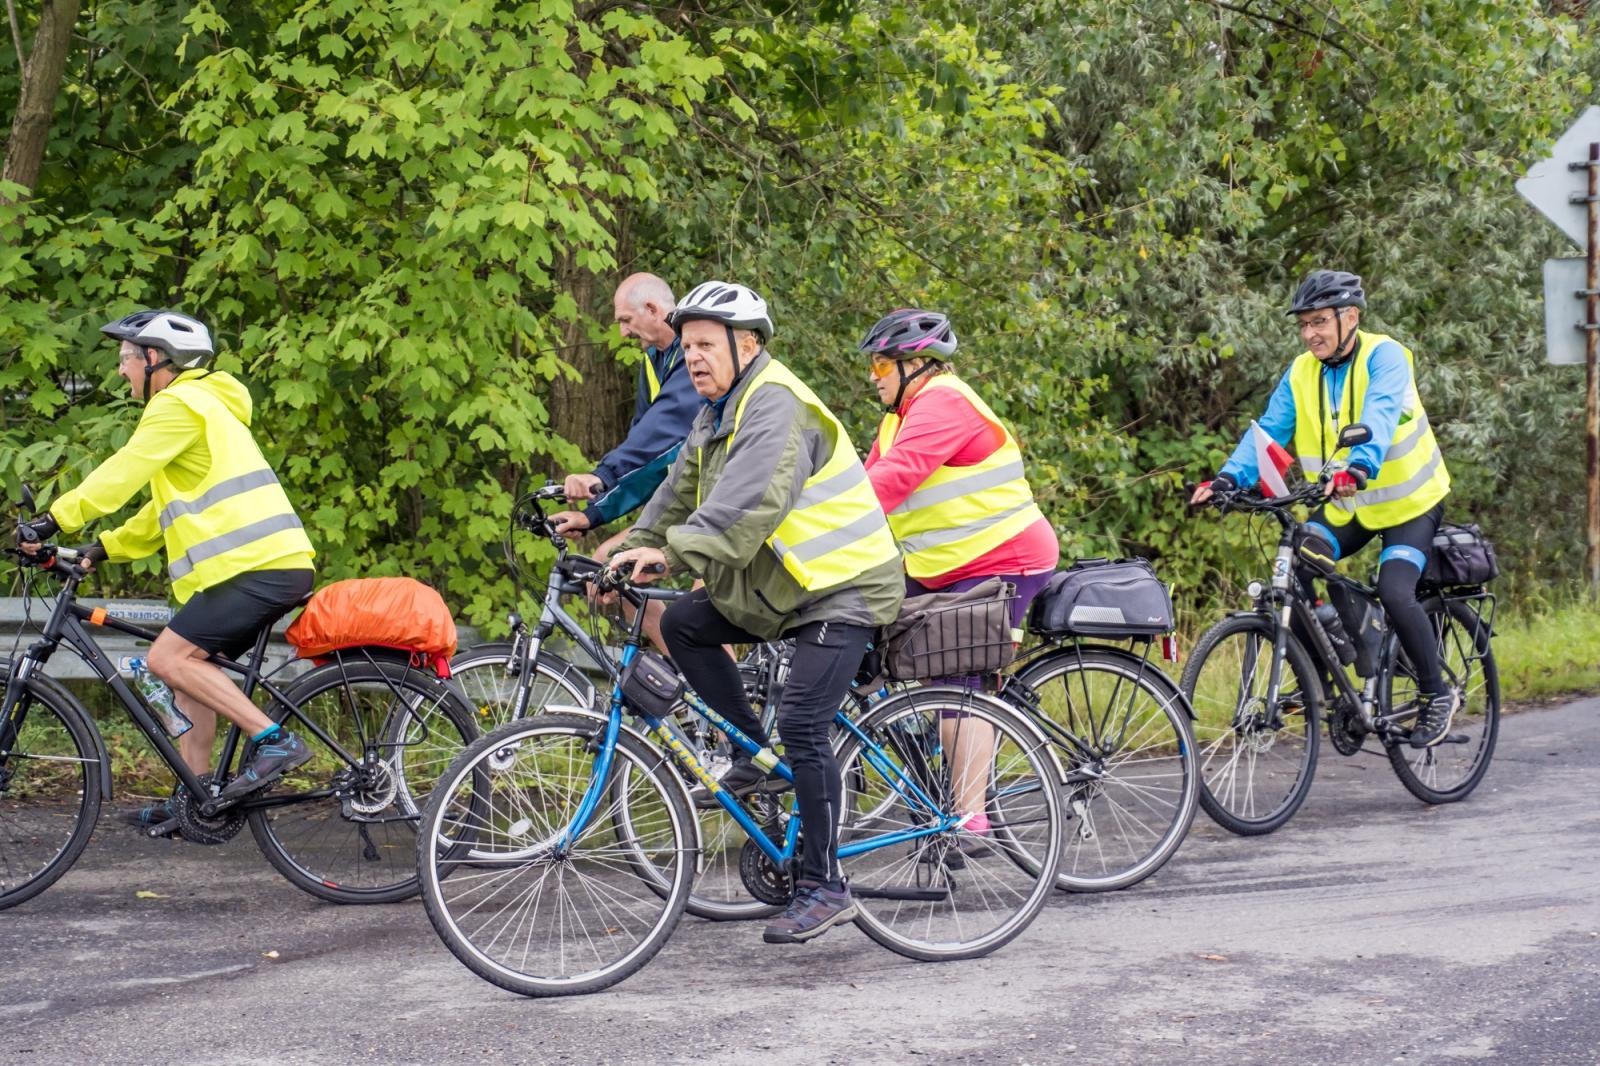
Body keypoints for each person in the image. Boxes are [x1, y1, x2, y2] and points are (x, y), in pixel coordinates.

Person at [608, 281, 904, 944]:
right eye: (686, 349)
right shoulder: (716, 412)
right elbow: (678, 489)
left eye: (706, 345)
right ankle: (755, 753)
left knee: (805, 721)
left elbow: (742, 512)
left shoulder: (775, 408)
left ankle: (825, 885)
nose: (693, 360)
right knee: (684, 623)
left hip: (845, 587)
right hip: (789, 589)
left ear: (748, 346)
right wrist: (634, 545)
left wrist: (668, 555)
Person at [18, 309, 317, 830]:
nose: (121, 371)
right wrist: (102, 548)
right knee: (189, 677)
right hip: (263, 567)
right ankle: (196, 802)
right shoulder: (205, 407)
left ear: (157, 358)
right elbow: (162, 510)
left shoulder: (178, 404)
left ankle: (276, 741)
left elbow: (121, 474)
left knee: (168, 657)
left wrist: (51, 521)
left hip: (258, 568)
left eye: (127, 359)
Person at [1189, 270, 1455, 747]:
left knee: (1395, 591)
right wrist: (1228, 479)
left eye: (1319, 322)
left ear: (1349, 317)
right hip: (1346, 507)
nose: (1310, 333)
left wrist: (1358, 467)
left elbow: (1378, 412)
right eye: (1304, 324)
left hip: (1407, 504)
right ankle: (1337, 683)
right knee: (1298, 564)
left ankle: (1436, 695)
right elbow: (1269, 433)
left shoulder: (1385, 355)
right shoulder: (1301, 371)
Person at [860, 309, 1059, 855]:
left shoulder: (944, 402)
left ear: (917, 364)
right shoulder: (896, 418)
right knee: (870, 638)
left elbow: (888, 484)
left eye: (881, 363)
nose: (872, 375)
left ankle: (970, 817)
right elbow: (862, 485)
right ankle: (932, 774)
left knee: (961, 680)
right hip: (939, 567)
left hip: (1004, 559)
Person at [547, 273, 700, 648]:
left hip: (730, 502)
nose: (623, 333)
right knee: (606, 567)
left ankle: (730, 702)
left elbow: (660, 438)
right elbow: (649, 459)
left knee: (703, 614)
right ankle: (689, 688)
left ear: (652, 309)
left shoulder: (694, 354)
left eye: (624, 321)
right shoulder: (655, 362)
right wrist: (593, 513)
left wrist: (600, 476)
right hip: (688, 499)